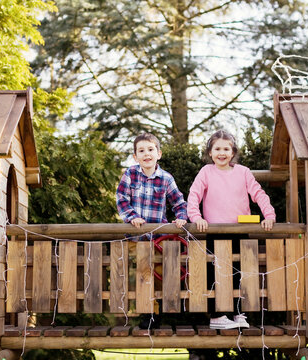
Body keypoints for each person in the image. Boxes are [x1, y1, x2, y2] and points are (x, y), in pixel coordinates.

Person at [187, 129, 276, 329]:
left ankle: (238, 313)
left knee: (240, 272)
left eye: (226, 148)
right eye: (217, 148)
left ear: (233, 151)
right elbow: (194, 196)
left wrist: (269, 215)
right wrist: (196, 217)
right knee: (216, 272)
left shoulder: (243, 172)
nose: (222, 152)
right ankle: (218, 316)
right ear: (210, 152)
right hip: (214, 231)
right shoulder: (206, 172)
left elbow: (258, 194)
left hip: (239, 229)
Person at [116, 133, 188, 329]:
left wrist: (181, 216)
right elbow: (121, 198)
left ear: (159, 154)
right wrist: (132, 216)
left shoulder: (166, 178)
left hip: (160, 237)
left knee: (161, 272)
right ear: (135, 156)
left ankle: (163, 310)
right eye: (141, 151)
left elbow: (179, 201)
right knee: (143, 273)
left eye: (150, 150)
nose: (146, 154)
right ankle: (147, 313)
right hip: (137, 237)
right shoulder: (130, 174)